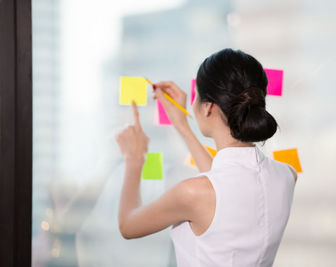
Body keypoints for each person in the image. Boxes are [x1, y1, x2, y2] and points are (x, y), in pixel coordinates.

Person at [115, 48, 297, 267]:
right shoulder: (287, 175)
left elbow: (127, 225)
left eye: (196, 96)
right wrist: (182, 125)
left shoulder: (193, 193)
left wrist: (134, 159)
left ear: (208, 106)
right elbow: (226, 186)